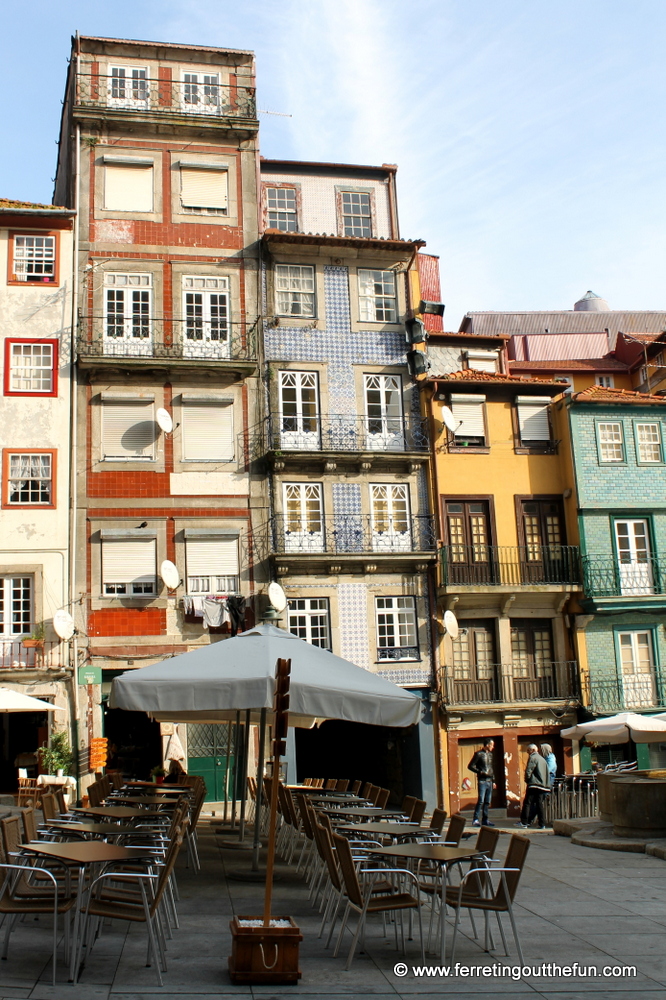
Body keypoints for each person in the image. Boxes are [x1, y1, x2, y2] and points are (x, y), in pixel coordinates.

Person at [517, 744, 550, 829]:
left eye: (528, 750)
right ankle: (542, 823)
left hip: (534, 784)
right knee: (539, 804)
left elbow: (529, 771)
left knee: (527, 802)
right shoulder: (543, 759)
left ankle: (524, 822)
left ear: (532, 750)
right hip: (543, 785)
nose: (527, 752)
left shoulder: (533, 758)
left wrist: (527, 780)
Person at [468, 738, 496, 827]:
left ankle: (485, 819)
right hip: (482, 781)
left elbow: (491, 768)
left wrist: (494, 781)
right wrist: (480, 772)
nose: (493, 747)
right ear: (487, 745)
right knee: (481, 800)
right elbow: (470, 766)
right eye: (492, 745)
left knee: (487, 801)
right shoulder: (478, 754)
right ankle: (475, 819)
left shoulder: (490, 755)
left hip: (490, 781)